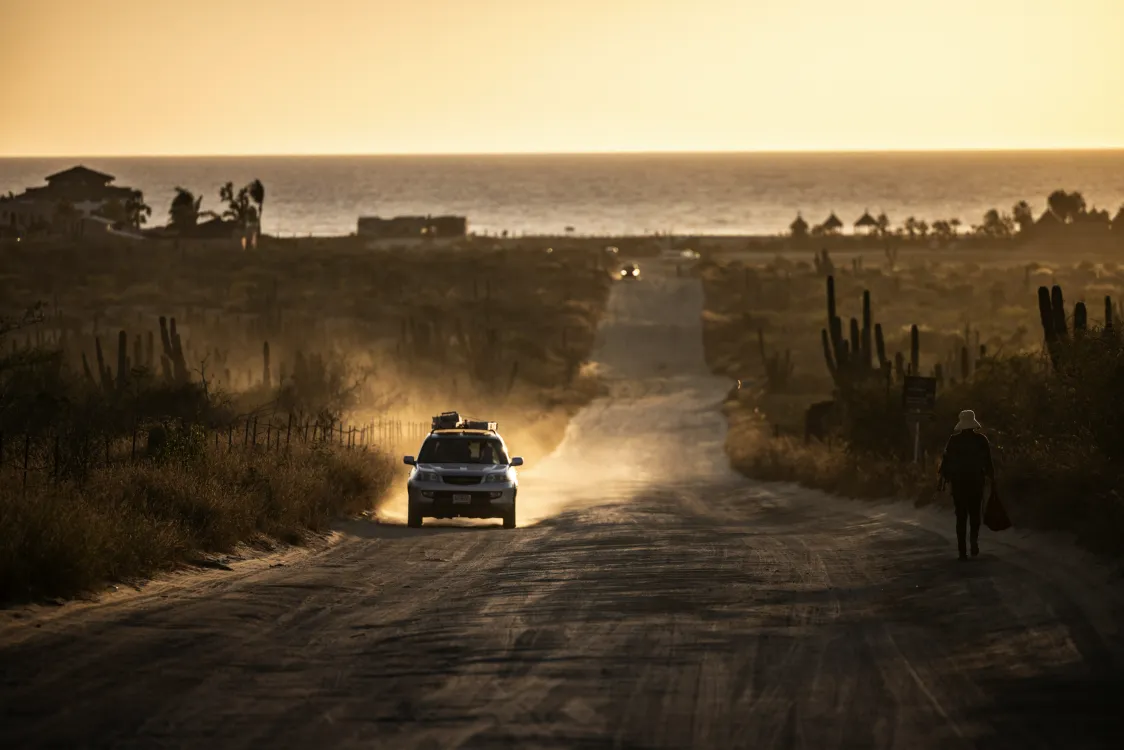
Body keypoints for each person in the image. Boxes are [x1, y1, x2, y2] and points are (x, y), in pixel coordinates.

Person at [938, 409, 995, 560]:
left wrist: (943, 479)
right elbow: (988, 462)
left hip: (959, 484)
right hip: (976, 482)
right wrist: (992, 478)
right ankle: (974, 541)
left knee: (961, 516)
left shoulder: (953, 440)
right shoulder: (981, 440)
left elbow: (946, 461)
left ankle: (962, 551)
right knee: (975, 514)